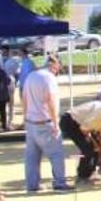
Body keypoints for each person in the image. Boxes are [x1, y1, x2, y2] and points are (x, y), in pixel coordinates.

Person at [21, 54, 73, 192]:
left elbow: (24, 98)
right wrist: (56, 123)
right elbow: (51, 100)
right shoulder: (49, 78)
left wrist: (25, 118)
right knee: (56, 154)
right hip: (45, 121)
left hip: (31, 121)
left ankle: (32, 185)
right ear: (54, 66)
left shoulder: (30, 76)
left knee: (32, 156)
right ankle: (59, 182)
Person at [59, 99, 101, 181]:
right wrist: (95, 144)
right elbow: (83, 130)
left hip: (84, 124)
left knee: (96, 147)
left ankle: (93, 172)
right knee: (88, 147)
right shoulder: (98, 115)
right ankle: (82, 175)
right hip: (70, 121)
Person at [2, 49, 21, 126]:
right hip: (1, 82)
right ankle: (4, 120)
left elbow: (17, 73)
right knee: (3, 102)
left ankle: (10, 121)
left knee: (10, 102)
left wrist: (14, 81)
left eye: (5, 52)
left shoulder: (14, 61)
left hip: (10, 81)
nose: (4, 53)